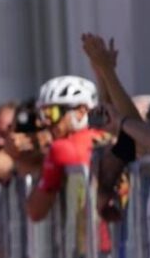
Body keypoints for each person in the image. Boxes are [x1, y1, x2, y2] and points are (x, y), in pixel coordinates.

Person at [25, 74, 111, 222]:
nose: (45, 123)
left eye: (52, 113)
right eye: (42, 114)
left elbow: (35, 211)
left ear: (81, 111)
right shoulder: (108, 135)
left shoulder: (61, 148)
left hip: (93, 238)